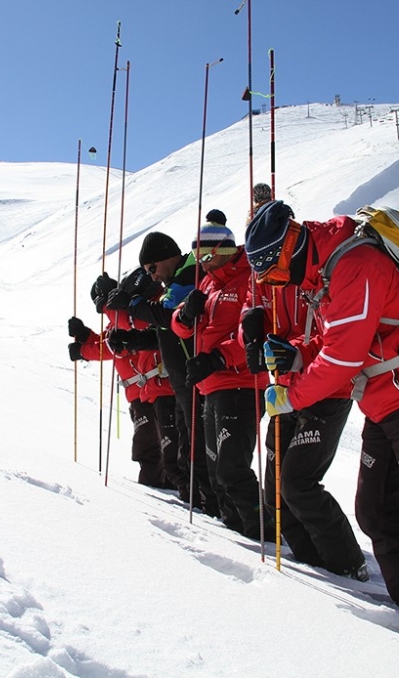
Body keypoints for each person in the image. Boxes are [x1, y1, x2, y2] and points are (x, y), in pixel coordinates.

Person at [245, 200, 399, 635]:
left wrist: (290, 396)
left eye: (273, 272)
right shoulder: (328, 272)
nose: (275, 282)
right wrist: (295, 356)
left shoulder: (354, 264)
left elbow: (342, 358)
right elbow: (337, 342)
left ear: (291, 245)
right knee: (375, 511)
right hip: (385, 402)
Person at [240, 258, 367, 579]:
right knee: (273, 493)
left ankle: (349, 565)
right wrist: (250, 333)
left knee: (298, 482)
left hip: (326, 388)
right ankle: (315, 561)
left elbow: (335, 336)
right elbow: (250, 313)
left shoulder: (314, 272)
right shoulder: (262, 277)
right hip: (284, 389)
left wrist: (291, 350)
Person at [171, 211, 272, 539]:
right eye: (196, 254)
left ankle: (263, 531)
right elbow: (182, 329)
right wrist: (185, 315)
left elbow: (255, 333)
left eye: (204, 254)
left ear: (221, 251)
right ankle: (235, 530)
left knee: (231, 468)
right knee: (216, 471)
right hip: (211, 385)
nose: (199, 261)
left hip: (240, 383)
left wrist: (217, 358)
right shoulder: (207, 282)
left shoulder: (249, 278)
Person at [108, 232, 219, 517]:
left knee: (196, 456)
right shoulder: (176, 280)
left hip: (194, 379)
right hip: (182, 381)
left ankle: (213, 510)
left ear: (166, 257)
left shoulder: (187, 277)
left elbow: (167, 315)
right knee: (184, 458)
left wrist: (132, 305)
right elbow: (165, 331)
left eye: (152, 269)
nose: (153, 277)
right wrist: (133, 342)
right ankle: (205, 507)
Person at [68, 269, 174, 488]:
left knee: (157, 448)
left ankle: (169, 487)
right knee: (149, 447)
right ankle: (162, 486)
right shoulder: (120, 320)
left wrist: (82, 350)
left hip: (152, 390)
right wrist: (84, 336)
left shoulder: (137, 316)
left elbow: (112, 348)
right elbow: (105, 341)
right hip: (140, 394)